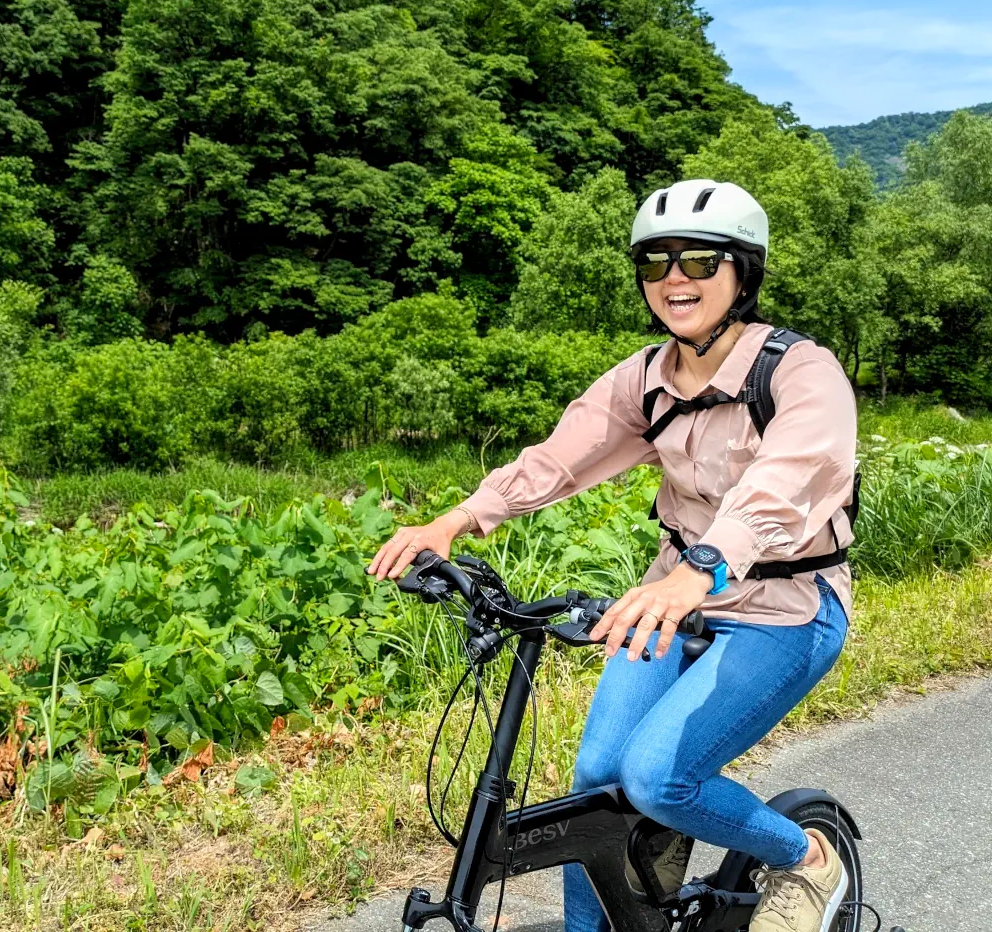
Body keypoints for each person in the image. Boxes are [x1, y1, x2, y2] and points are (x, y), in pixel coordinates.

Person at [367, 179, 857, 932]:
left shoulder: (799, 372)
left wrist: (703, 568)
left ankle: (806, 856)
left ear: (743, 272)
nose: (675, 280)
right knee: (596, 782)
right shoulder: (647, 378)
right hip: (668, 598)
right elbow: (563, 456)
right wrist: (459, 519)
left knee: (659, 778)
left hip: (782, 610)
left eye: (699, 260)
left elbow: (786, 484)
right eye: (656, 263)